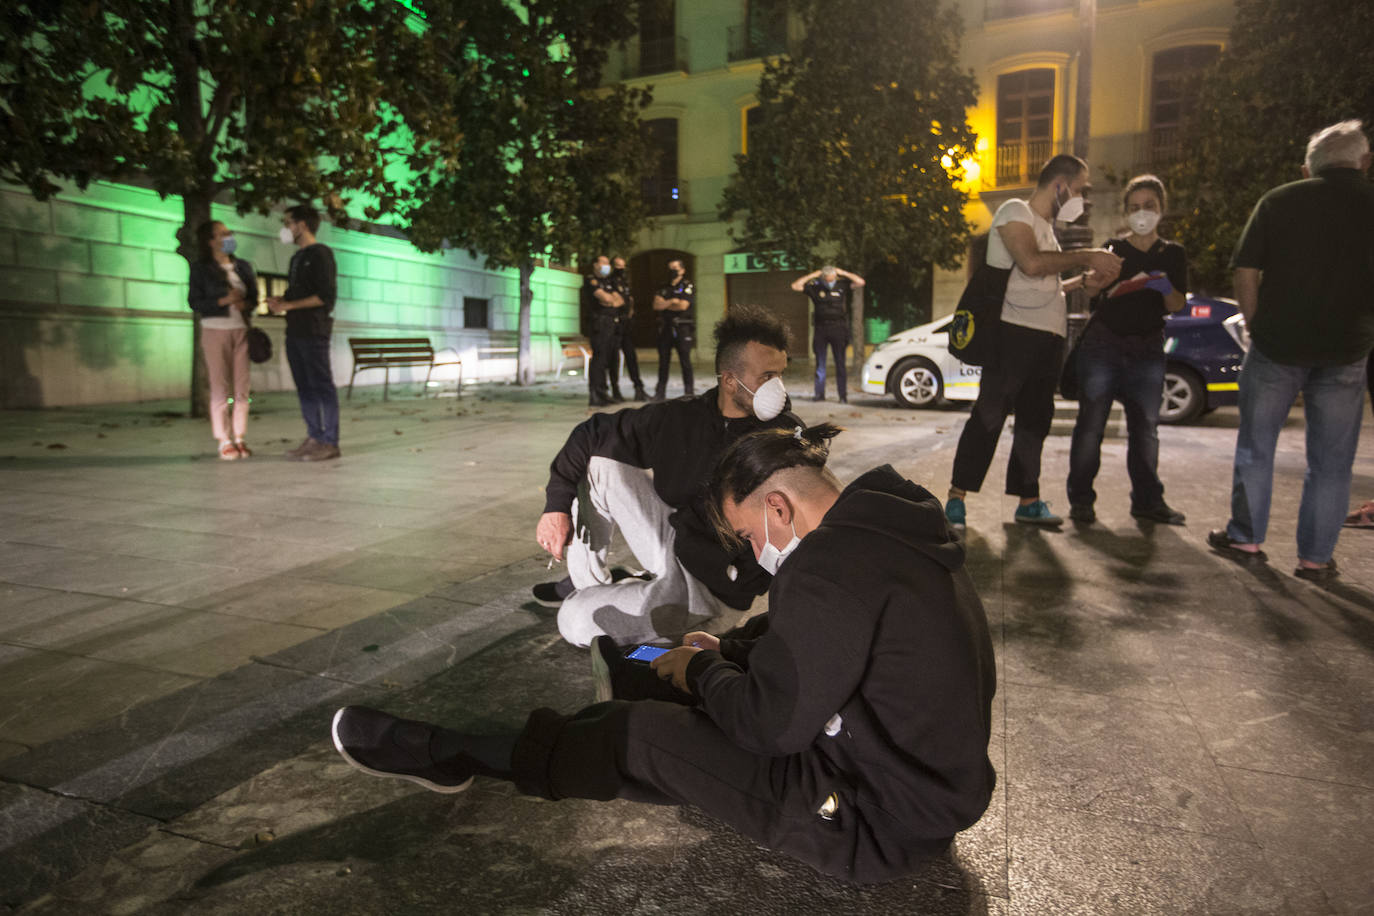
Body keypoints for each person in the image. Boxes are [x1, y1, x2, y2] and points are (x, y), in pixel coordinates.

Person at [330, 423, 997, 884]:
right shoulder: (883, 529)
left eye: (745, 534)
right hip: (905, 787)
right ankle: (616, 703)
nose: (753, 550)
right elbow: (815, 638)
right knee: (670, 690)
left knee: (641, 736)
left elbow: (770, 725)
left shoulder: (827, 571)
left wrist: (707, 670)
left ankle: (456, 755)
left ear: (778, 508)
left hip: (871, 819)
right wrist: (722, 648)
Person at [531, 306, 801, 647]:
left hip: (711, 588)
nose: (778, 388)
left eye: (781, 375)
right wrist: (555, 506)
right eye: (767, 377)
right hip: (676, 542)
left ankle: (634, 602)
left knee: (572, 620)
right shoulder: (685, 417)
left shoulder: (782, 438)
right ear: (730, 380)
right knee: (601, 464)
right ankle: (590, 584)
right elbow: (593, 432)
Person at [1207, 120, 1374, 582]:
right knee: (1332, 462)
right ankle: (1315, 558)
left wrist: (1257, 325)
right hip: (1347, 349)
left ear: (1308, 168)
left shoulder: (1279, 201)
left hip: (1277, 346)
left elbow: (1246, 269)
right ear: (1364, 162)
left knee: (1257, 447)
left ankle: (1246, 536)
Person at [946, 154, 1124, 529]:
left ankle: (1028, 500)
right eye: (1079, 190)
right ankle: (957, 497)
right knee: (990, 414)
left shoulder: (1048, 228)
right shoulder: (1015, 211)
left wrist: (1087, 281)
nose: (1082, 199)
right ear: (1059, 185)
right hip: (1013, 334)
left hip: (1048, 339)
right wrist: (1089, 255)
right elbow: (1030, 263)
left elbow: (1045, 284)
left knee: (1035, 420)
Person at [1066, 174, 1188, 525]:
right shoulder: (1113, 249)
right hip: (1104, 344)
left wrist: (1162, 285)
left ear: (1161, 210)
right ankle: (1081, 501)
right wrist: (1099, 281)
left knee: (1146, 430)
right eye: (1135, 207)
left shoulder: (1173, 253)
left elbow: (1177, 304)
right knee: (1091, 426)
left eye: (1149, 206)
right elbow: (1090, 292)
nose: (1142, 213)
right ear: (1125, 213)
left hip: (1148, 348)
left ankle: (1148, 502)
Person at [266, 204, 340, 461]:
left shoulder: (321, 254)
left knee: (321, 385)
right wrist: (281, 301)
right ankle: (314, 436)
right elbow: (297, 293)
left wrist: (289, 305)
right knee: (304, 386)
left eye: (288, 223)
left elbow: (325, 297)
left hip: (314, 330)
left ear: (302, 225)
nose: (285, 228)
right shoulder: (296, 258)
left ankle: (330, 441)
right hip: (294, 330)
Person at [187, 220, 258, 460]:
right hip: (214, 329)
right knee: (220, 387)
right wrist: (223, 301)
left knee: (242, 388)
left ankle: (239, 437)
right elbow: (195, 302)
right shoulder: (201, 268)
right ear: (211, 240)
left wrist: (244, 304)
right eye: (223, 233)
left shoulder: (244, 267)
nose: (229, 237)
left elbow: (254, 299)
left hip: (241, 329)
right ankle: (224, 439)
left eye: (229, 233)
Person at [791, 265, 865, 402]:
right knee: (820, 364)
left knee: (840, 364)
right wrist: (813, 274)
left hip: (839, 329)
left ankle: (843, 396)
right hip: (821, 329)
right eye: (828, 279)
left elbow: (860, 282)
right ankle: (819, 395)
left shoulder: (842, 284)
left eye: (833, 278)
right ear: (823, 277)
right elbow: (795, 286)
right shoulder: (815, 286)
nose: (830, 281)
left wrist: (843, 272)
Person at [582, 255, 625, 407]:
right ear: (595, 265)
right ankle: (595, 394)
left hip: (611, 324)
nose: (607, 266)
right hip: (598, 324)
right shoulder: (591, 280)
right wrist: (610, 300)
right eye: (604, 263)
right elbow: (607, 299)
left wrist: (611, 300)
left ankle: (604, 392)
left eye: (608, 263)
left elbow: (619, 301)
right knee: (599, 359)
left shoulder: (607, 282)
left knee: (609, 359)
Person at [652, 258, 695, 400]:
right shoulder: (663, 286)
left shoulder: (687, 285)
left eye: (675, 268)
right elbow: (656, 306)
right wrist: (672, 301)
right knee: (663, 361)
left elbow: (683, 306)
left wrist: (666, 302)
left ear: (682, 270)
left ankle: (689, 392)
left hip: (682, 327)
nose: (672, 271)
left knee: (685, 361)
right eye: (670, 268)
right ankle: (660, 392)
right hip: (665, 328)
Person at [610, 256, 648, 401]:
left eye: (623, 266)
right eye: (618, 266)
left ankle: (639, 388)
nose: (621, 269)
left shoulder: (625, 282)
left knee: (631, 357)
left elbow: (629, 300)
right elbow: (616, 301)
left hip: (626, 325)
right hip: (614, 325)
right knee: (614, 359)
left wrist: (630, 312)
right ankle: (615, 390)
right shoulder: (610, 281)